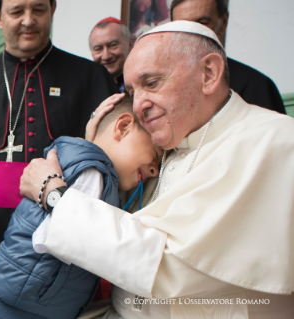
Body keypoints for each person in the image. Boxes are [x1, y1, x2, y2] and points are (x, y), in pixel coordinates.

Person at [20, 21, 294, 319]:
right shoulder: (170, 137)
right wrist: (95, 149)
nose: (137, 105)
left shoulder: (273, 141)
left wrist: (54, 195)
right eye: (131, 91)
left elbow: (169, 267)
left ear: (208, 74)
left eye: (151, 83)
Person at [0, 0, 119, 293]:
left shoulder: (90, 77)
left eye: (38, 9)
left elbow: (110, 160)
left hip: (58, 233)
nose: (28, 21)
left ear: (53, 9)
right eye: (16, 12)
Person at [0, 95, 162, 319]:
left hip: (13, 299)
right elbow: (54, 238)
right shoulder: (93, 173)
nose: (155, 171)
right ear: (122, 127)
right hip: (21, 308)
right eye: (155, 155)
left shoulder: (76, 159)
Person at [170, 0, 286, 114]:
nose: (192, 34)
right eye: (182, 26)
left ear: (223, 23)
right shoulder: (162, 88)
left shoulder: (257, 85)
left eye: (203, 23)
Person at [89, 17, 134, 93]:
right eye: (98, 49)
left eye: (113, 45)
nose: (106, 56)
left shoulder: (145, 81)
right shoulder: (86, 87)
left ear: (130, 44)